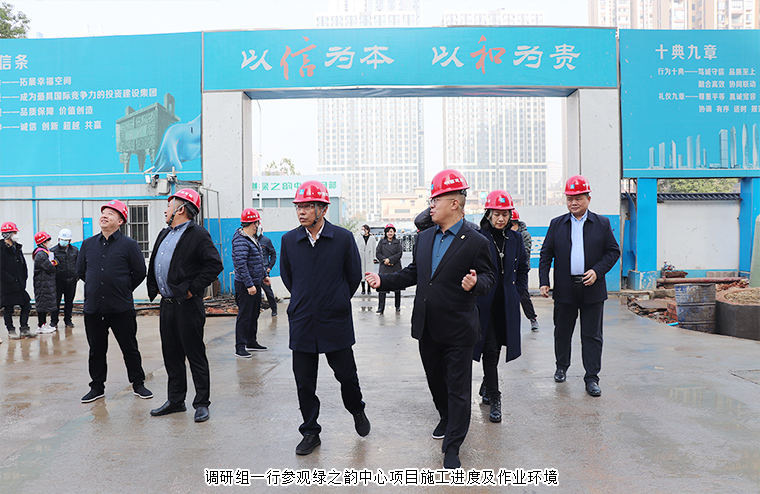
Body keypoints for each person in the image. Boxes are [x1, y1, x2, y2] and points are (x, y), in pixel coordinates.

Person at [366, 169, 494, 470]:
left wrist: (476, 283)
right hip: (427, 326)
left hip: (458, 329)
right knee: (436, 382)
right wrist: (383, 282)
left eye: (436, 200)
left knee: (458, 390)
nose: (431, 206)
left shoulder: (475, 242)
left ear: (454, 203)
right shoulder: (424, 239)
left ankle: (453, 446)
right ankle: (446, 417)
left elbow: (489, 278)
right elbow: (414, 273)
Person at [280, 180, 370, 456]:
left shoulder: (342, 239)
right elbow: (289, 278)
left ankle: (357, 409)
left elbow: (353, 276)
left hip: (335, 321)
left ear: (323, 209)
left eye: (308, 206)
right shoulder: (289, 241)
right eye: (299, 206)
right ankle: (310, 431)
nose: (301, 211)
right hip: (302, 322)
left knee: (347, 376)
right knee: (304, 383)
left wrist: (337, 299)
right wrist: (303, 301)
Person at [539, 175, 621, 397]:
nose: (573, 203)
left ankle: (592, 378)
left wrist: (597, 271)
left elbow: (613, 251)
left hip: (592, 288)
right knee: (562, 331)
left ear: (588, 199)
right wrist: (544, 281)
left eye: (578, 198)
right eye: (570, 199)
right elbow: (546, 253)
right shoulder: (557, 224)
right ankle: (561, 367)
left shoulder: (602, 224)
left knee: (592, 335)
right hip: (565, 289)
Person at [147, 189, 223, 423]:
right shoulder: (164, 233)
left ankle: (201, 403)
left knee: (195, 354)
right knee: (171, 354)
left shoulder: (197, 234)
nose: (165, 210)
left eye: (169, 206)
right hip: (167, 305)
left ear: (180, 209)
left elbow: (214, 265)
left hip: (187, 305)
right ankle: (176, 400)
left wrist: (192, 289)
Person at [76, 200, 152, 403]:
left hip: (121, 308)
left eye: (110, 213)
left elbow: (139, 272)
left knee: (129, 348)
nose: (104, 216)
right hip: (94, 308)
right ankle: (97, 387)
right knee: (96, 351)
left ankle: (138, 384)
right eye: (103, 213)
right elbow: (81, 272)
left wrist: (122, 289)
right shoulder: (88, 244)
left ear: (120, 221)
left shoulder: (129, 245)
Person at [473, 191, 529, 423]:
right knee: (489, 349)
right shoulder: (479, 238)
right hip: (484, 303)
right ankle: (495, 398)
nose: (501, 218)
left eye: (505, 214)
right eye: (496, 214)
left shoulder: (515, 239)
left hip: (506, 304)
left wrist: (517, 293)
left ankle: (487, 384)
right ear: (488, 214)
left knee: (496, 348)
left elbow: (523, 268)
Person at [232, 207, 270, 357]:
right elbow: (241, 264)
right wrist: (249, 284)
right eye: (258, 222)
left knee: (254, 314)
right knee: (245, 316)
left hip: (255, 283)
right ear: (253, 224)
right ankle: (240, 347)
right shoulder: (241, 240)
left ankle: (251, 341)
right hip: (245, 285)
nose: (259, 225)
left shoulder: (252, 238)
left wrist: (263, 276)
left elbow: (257, 260)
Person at [1, 222, 34, 339]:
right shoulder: (2, 249)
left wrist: (23, 278)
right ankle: (11, 330)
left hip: (19, 284)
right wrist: (11, 280)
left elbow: (23, 264)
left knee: (26, 305)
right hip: (7, 286)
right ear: (8, 234)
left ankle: (24, 328)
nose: (16, 235)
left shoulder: (17, 247)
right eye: (14, 232)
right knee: (8, 308)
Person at [510, 210, 539, 332]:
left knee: (523, 296)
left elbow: (524, 253)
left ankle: (533, 318)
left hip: (520, 270)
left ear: (516, 224)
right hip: (508, 270)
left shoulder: (524, 235)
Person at [50, 228, 78, 329]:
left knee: (69, 302)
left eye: (65, 240)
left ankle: (68, 320)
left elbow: (78, 263)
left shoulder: (75, 250)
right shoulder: (53, 251)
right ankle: (54, 321)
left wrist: (77, 277)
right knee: (55, 302)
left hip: (71, 280)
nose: (63, 241)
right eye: (62, 239)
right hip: (58, 281)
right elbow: (50, 265)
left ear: (70, 241)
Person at [32, 231, 59, 334]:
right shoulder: (40, 254)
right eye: (48, 240)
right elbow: (50, 268)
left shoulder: (46, 252)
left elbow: (56, 262)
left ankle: (43, 324)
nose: (50, 242)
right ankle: (41, 325)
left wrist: (54, 263)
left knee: (45, 304)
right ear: (42, 242)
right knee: (42, 305)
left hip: (46, 282)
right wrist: (53, 264)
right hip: (42, 283)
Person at [375, 223, 402, 314]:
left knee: (397, 288)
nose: (390, 233)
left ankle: (397, 306)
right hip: (384, 267)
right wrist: (385, 260)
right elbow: (378, 253)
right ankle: (381, 307)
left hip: (395, 266)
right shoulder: (381, 242)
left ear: (394, 232)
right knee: (382, 287)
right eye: (388, 232)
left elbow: (399, 254)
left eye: (391, 231)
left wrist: (390, 260)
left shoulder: (397, 242)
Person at [257, 225, 278, 317]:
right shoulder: (250, 240)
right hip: (254, 271)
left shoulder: (266, 241)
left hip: (264, 271)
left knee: (268, 292)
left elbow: (273, 254)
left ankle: (274, 309)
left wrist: (269, 267)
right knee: (255, 293)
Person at [356, 224, 376, 295]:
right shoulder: (359, 239)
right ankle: (363, 289)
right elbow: (357, 249)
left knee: (369, 273)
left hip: (369, 257)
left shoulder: (372, 238)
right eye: (362, 229)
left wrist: (374, 257)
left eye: (364, 229)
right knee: (362, 273)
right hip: (362, 257)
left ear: (367, 230)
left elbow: (374, 248)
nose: (363, 231)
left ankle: (369, 289)